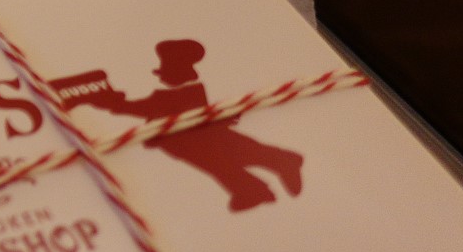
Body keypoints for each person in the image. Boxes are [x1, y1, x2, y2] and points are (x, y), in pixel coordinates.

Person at [93, 39, 304, 212]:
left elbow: (148, 107)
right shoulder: (179, 92)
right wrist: (115, 104)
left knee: (219, 158)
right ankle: (265, 176)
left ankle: (264, 177)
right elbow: (149, 107)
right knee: (222, 157)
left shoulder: (183, 92)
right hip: (187, 137)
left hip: (191, 136)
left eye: (165, 71)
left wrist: (115, 104)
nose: (162, 76)